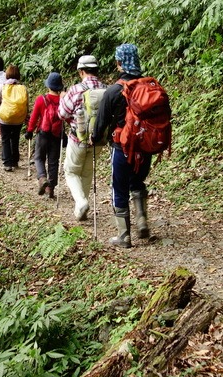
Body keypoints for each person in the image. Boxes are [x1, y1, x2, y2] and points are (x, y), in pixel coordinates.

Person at [91, 44, 151, 248]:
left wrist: (94, 137)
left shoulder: (114, 91)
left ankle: (124, 235)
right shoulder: (149, 88)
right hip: (145, 148)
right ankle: (142, 220)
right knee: (138, 181)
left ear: (119, 63)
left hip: (122, 148)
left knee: (119, 188)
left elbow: (100, 124)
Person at [58, 55, 107, 221]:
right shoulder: (106, 89)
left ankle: (80, 202)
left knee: (71, 171)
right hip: (98, 140)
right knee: (86, 173)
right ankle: (81, 208)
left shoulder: (76, 89)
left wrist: (62, 99)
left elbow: (62, 113)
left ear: (81, 71)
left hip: (78, 139)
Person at [25, 72, 64, 198]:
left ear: (48, 86)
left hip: (43, 133)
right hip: (57, 135)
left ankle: (42, 178)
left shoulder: (41, 99)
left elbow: (34, 117)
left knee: (38, 158)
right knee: (53, 161)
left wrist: (29, 130)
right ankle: (50, 189)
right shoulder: (63, 100)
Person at [0, 64, 27, 171]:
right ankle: (15, 161)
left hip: (5, 117)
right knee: (15, 139)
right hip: (18, 118)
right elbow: (26, 103)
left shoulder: (1, 87)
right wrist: (26, 116)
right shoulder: (23, 88)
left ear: (7, 75)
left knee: (5, 139)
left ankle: (7, 163)